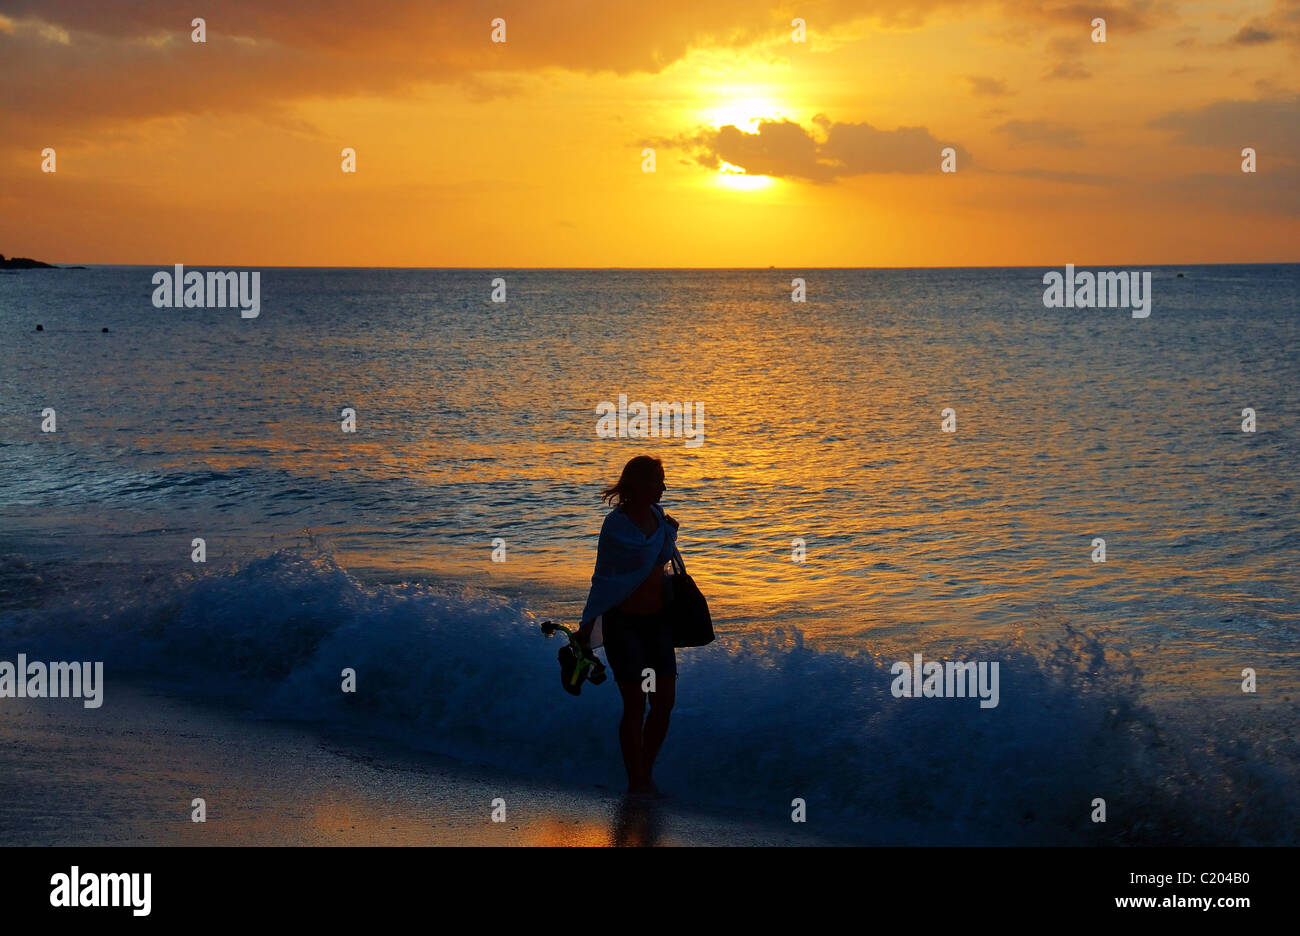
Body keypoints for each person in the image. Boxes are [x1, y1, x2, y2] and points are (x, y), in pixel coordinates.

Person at [574, 455, 679, 795]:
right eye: (657, 481)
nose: (663, 487)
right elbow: (604, 579)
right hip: (623, 624)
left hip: (658, 622)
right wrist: (589, 624)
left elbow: (659, 561)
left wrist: (669, 534)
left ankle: (644, 771)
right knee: (635, 703)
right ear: (637, 485)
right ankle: (637, 780)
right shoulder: (616, 526)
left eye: (663, 480)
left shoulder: (658, 518)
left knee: (664, 702)